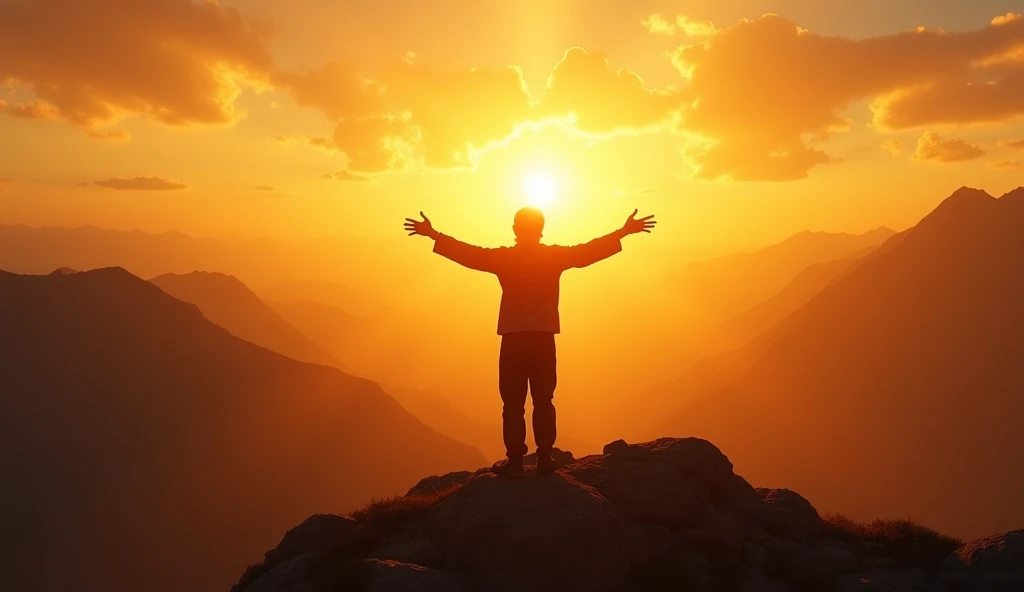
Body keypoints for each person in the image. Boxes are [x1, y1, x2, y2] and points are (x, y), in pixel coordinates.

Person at [404, 207, 657, 477]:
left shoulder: (505, 258)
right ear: (541, 229)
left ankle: (515, 461)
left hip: (513, 339)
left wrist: (434, 235)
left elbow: (470, 254)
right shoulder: (553, 256)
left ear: (515, 229)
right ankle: (545, 457)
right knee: (544, 400)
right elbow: (587, 252)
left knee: (512, 403)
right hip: (543, 338)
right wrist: (623, 232)